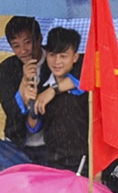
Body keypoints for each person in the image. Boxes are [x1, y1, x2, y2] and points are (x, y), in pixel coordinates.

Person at [28, 27, 87, 174]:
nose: (57, 61)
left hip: (83, 163)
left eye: (63, 56)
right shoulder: (42, 88)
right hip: (53, 163)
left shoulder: (85, 85)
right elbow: (34, 126)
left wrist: (54, 90)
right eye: (52, 55)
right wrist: (30, 102)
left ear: (75, 57)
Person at [0, 16, 44, 152]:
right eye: (16, 46)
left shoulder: (55, 62)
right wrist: (24, 80)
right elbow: (10, 109)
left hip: (52, 146)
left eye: (27, 42)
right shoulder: (7, 67)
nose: (23, 51)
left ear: (39, 39)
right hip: (17, 143)